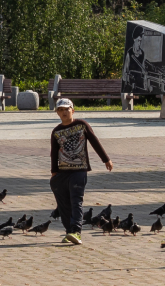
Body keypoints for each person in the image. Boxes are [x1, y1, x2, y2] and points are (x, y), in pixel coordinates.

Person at [50, 98, 112, 245]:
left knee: (76, 201)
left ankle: (76, 231)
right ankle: (69, 232)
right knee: (63, 204)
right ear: (57, 113)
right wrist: (54, 172)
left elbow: (94, 141)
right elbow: (54, 153)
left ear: (73, 110)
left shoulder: (81, 125)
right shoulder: (56, 132)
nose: (64, 112)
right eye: (61, 110)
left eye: (67, 109)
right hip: (62, 172)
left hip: (79, 171)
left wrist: (106, 159)